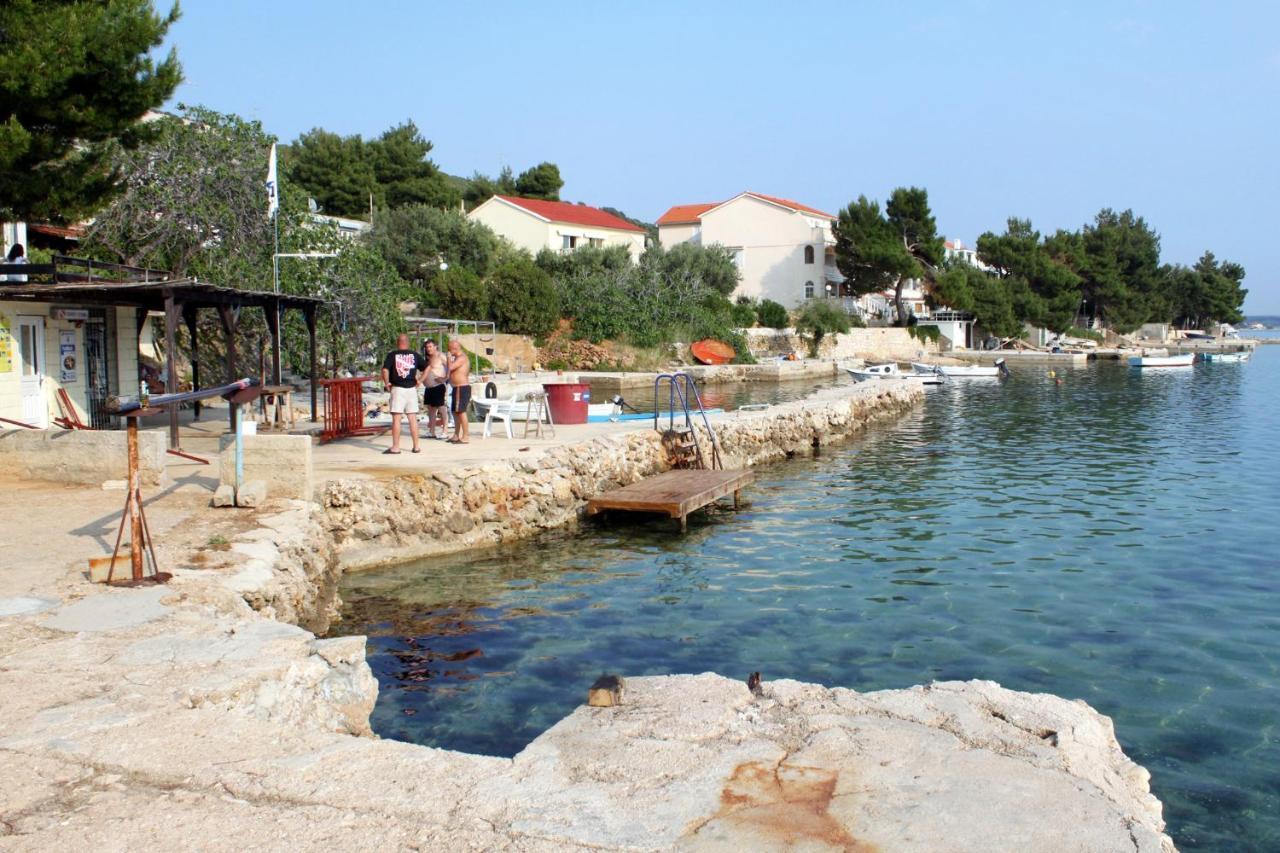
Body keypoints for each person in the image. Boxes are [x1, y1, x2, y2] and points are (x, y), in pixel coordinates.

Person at [380, 333, 425, 454]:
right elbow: (427, 367)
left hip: (398, 388)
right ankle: (416, 447)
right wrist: (420, 380)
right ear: (408, 342)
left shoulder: (392, 355)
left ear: (397, 342)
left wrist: (387, 383)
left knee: (397, 418)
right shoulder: (414, 355)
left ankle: (396, 447)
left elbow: (385, 370)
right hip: (411, 389)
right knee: (412, 418)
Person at [446, 338, 471, 444]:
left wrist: (448, 358)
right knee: (455, 412)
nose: (448, 351)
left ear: (454, 348)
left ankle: (465, 436)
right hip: (456, 388)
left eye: (449, 349)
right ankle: (456, 435)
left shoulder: (462, 358)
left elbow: (450, 367)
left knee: (461, 412)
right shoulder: (457, 358)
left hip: (462, 387)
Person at [421, 339, 448, 439]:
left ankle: (445, 431)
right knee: (431, 410)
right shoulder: (427, 358)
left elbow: (451, 367)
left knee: (441, 408)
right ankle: (432, 431)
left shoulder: (440, 356)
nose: (428, 349)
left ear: (435, 346)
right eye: (427, 347)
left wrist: (445, 378)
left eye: (430, 346)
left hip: (438, 387)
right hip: (428, 388)